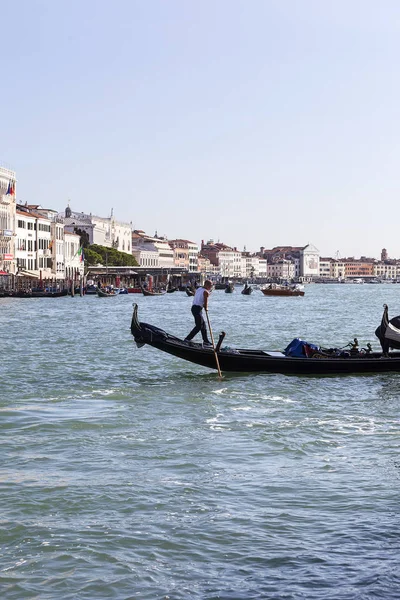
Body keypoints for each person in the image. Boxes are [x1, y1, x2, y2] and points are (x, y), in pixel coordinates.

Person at [185, 280, 213, 346]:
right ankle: (187, 339)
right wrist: (206, 308)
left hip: (195, 308)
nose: (211, 287)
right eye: (210, 286)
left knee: (203, 325)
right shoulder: (206, 292)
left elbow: (198, 297)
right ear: (206, 285)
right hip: (197, 309)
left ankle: (206, 341)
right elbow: (205, 302)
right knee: (199, 326)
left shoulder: (199, 289)